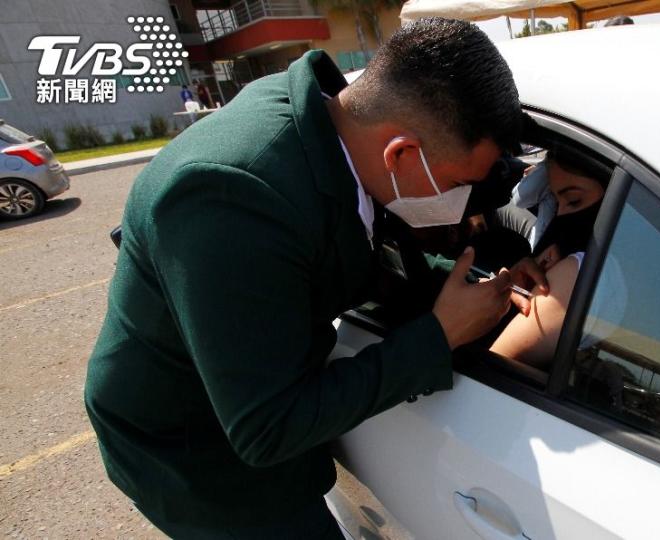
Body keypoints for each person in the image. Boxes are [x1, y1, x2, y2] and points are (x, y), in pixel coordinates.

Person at [85, 18, 537, 538]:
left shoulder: (334, 127)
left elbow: (352, 250)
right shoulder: (232, 198)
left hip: (246, 399)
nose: (461, 201)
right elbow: (267, 428)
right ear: (401, 153)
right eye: (460, 182)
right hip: (193, 444)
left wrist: (475, 284)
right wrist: (438, 337)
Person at [490, 153, 608, 367]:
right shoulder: (609, 269)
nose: (560, 216)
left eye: (573, 201)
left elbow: (490, 370)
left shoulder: (574, 273)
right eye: (555, 201)